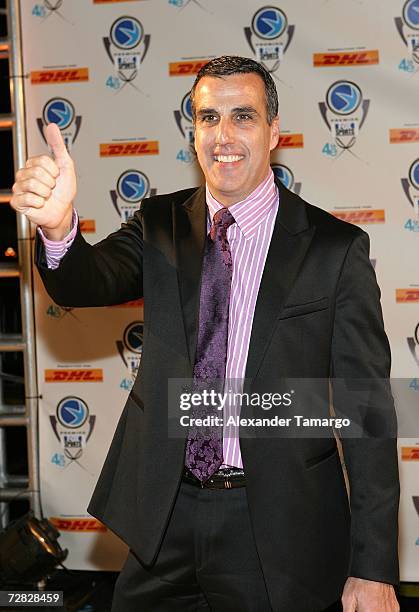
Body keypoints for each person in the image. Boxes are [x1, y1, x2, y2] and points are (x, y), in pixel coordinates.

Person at [11, 56, 400, 612]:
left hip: (276, 526)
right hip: (164, 519)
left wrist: (372, 567)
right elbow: (84, 281)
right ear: (193, 130)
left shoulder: (334, 250)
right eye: (208, 117)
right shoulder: (160, 224)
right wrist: (56, 227)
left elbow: (368, 412)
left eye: (243, 116)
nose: (224, 135)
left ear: (274, 132)